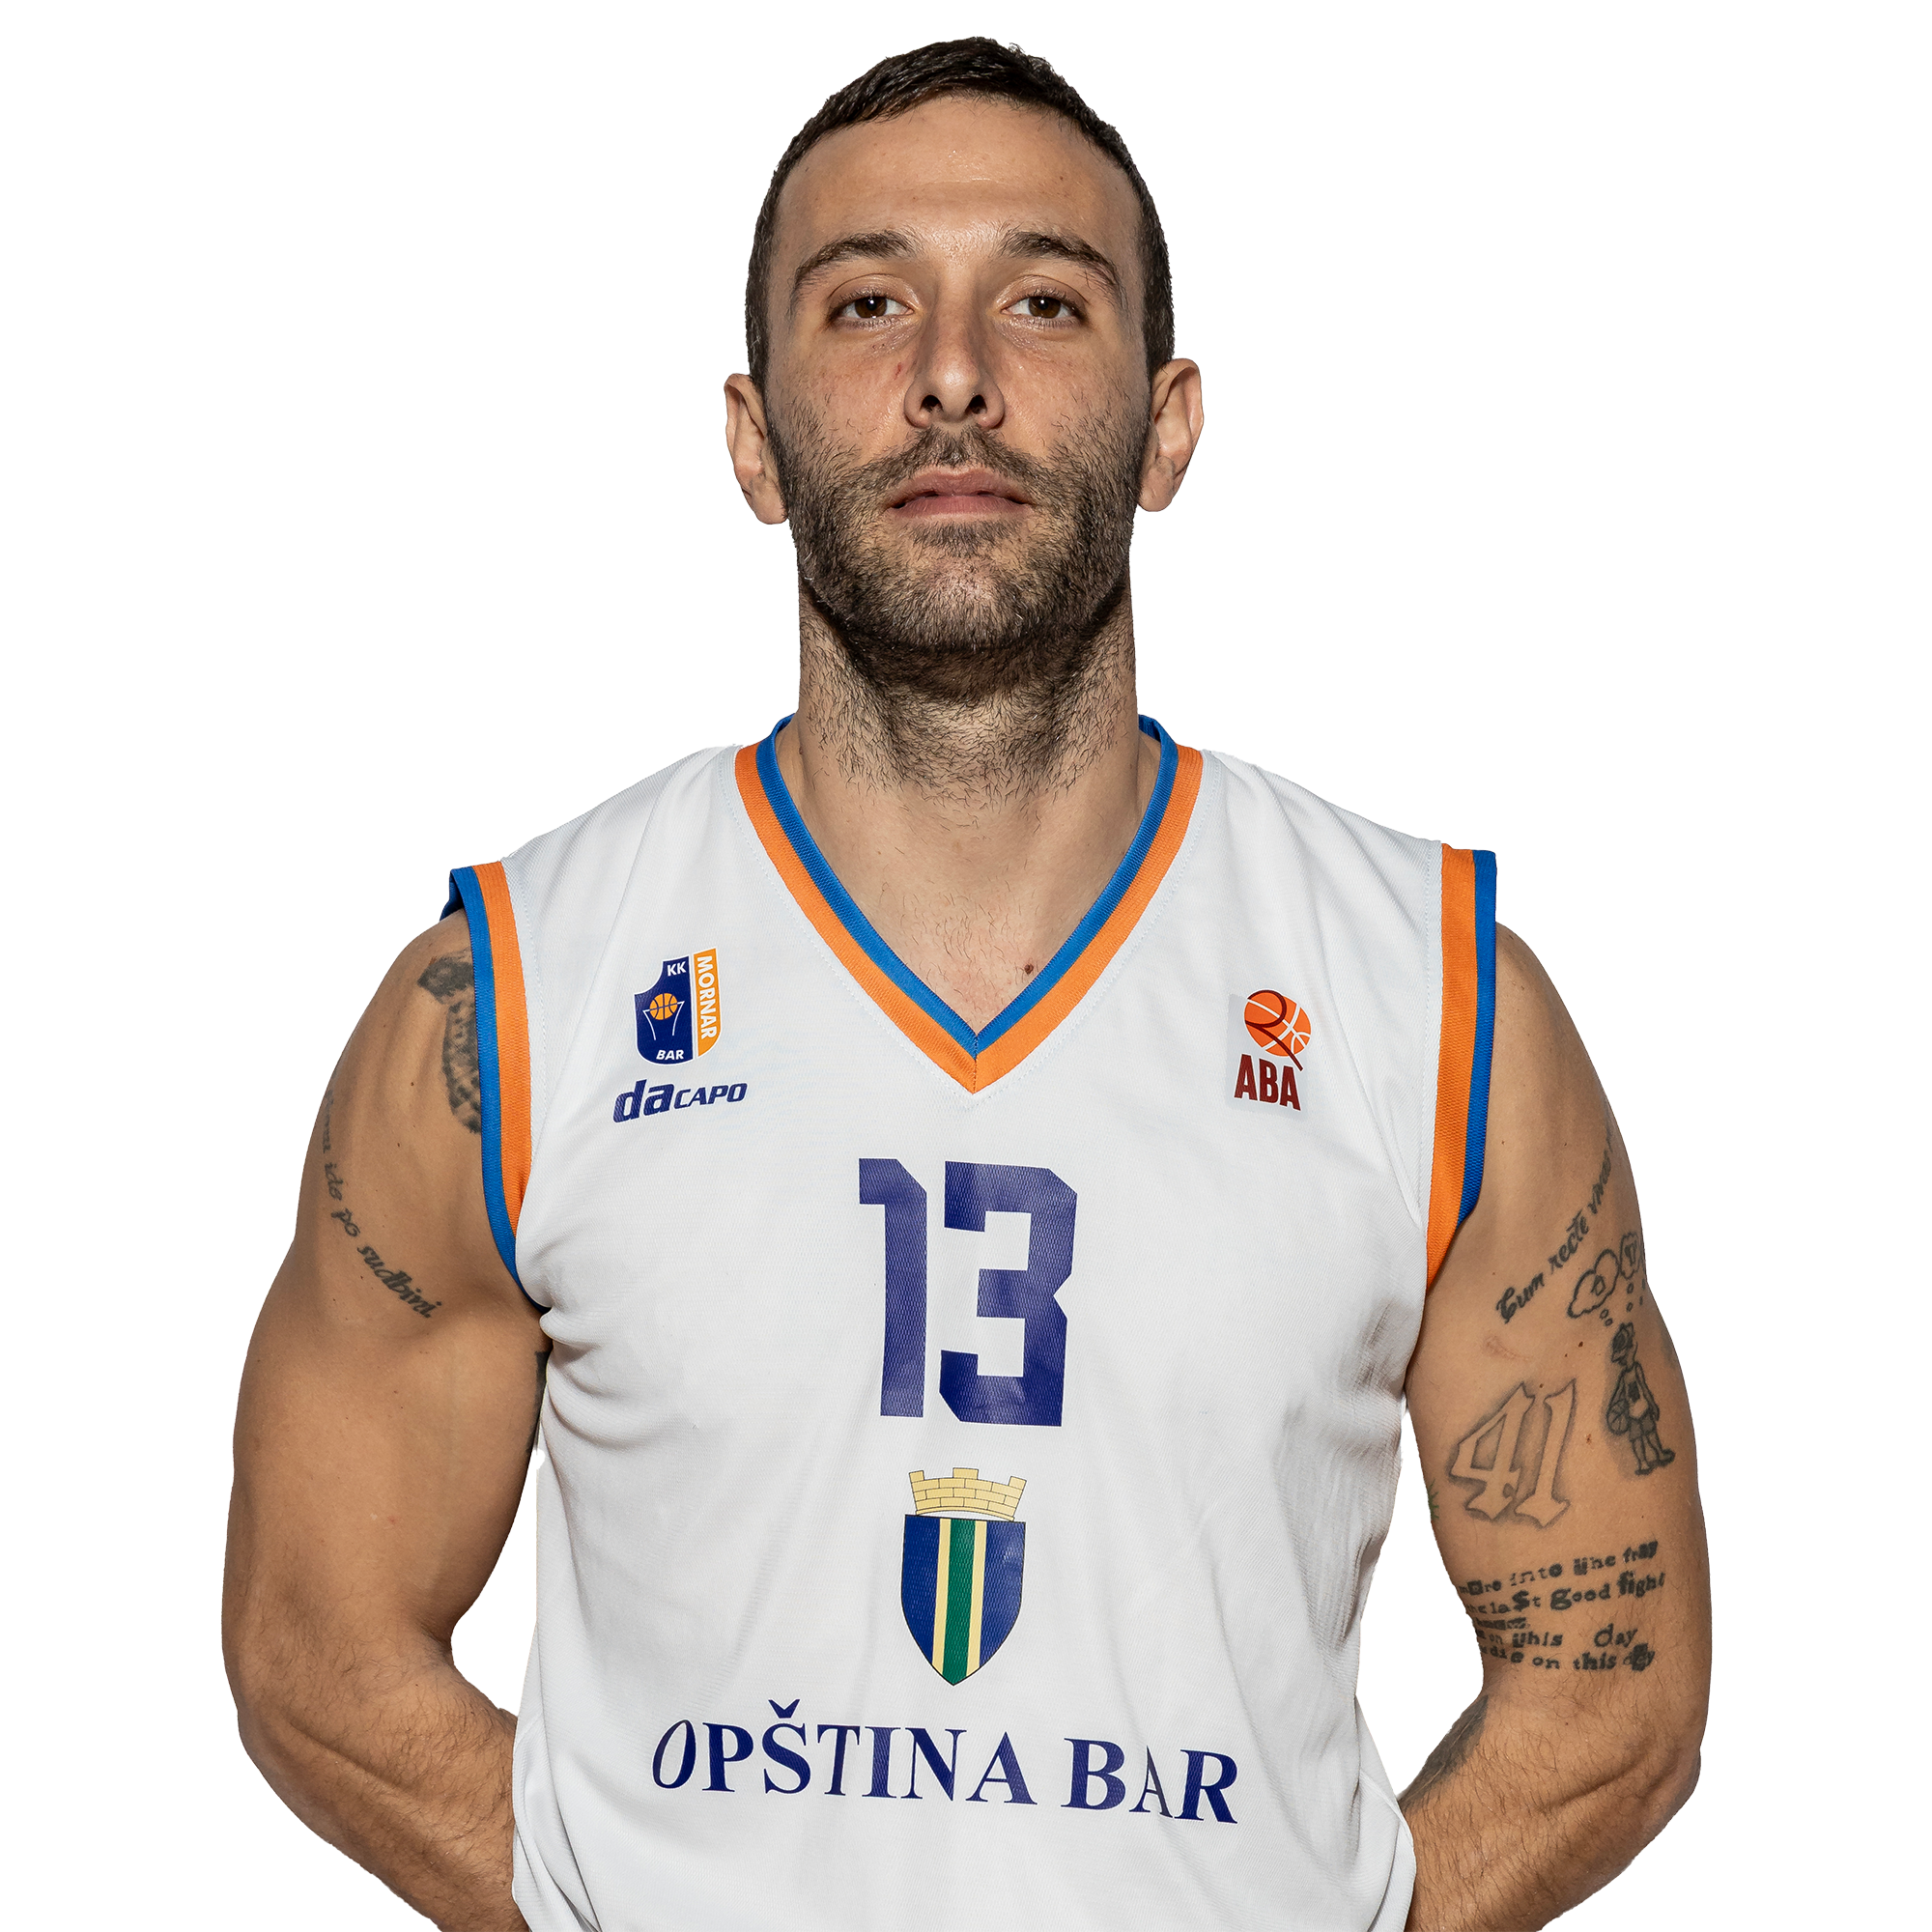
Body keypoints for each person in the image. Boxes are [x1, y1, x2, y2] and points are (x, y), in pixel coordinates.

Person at [224, 38, 1709, 1932]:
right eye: (866, 303)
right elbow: (317, 1644)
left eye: (1041, 300)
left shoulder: (1436, 1001)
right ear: (753, 437)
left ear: (1168, 426)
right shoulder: (512, 998)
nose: (950, 373)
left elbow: (1614, 1691)